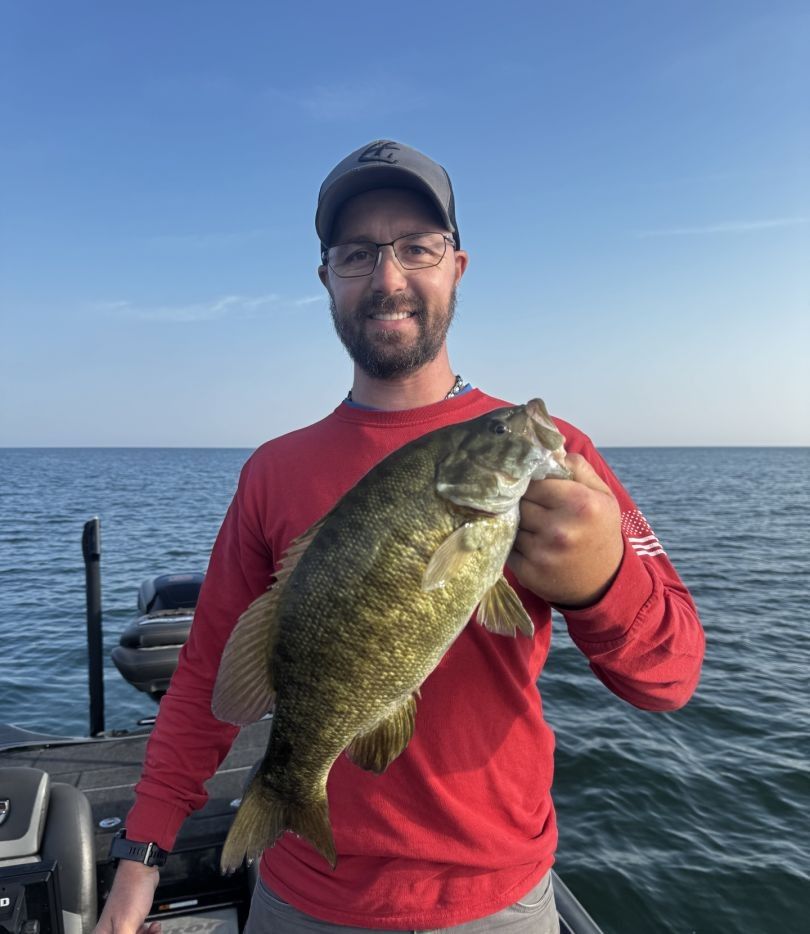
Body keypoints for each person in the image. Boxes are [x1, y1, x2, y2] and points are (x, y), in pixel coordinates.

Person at [94, 140, 705, 934]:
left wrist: (601, 578)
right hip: (302, 899)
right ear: (327, 279)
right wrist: (137, 866)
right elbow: (208, 677)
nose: (388, 278)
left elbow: (670, 678)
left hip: (497, 901)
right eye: (357, 254)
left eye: (418, 247)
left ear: (457, 265)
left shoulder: (559, 463)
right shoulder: (272, 472)